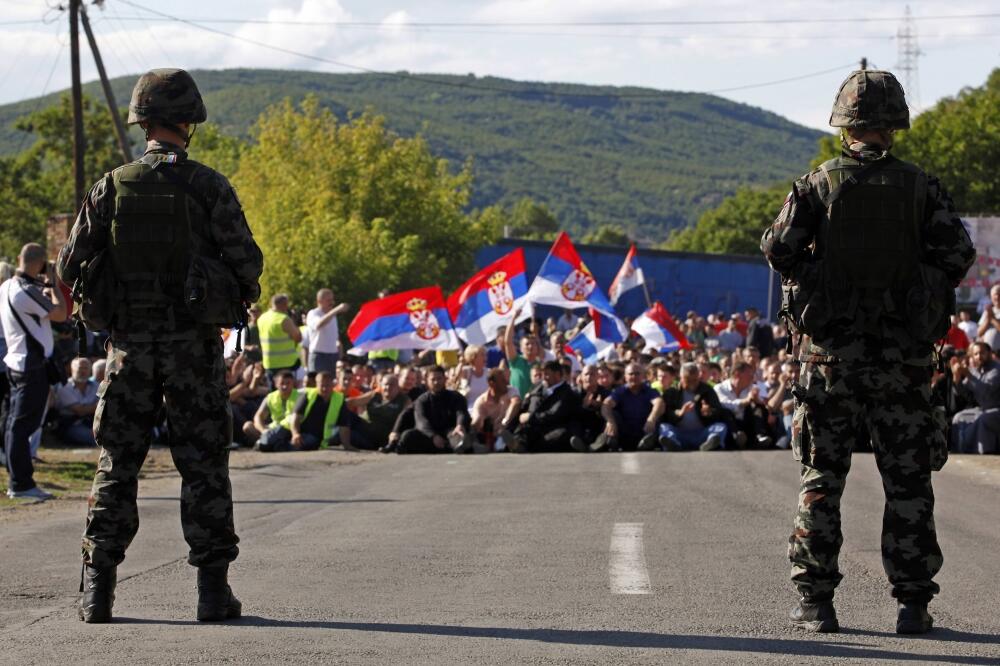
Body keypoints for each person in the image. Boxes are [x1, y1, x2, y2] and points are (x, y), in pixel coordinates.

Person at [761, 69, 975, 635]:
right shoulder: (920, 187)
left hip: (829, 359)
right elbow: (957, 256)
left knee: (821, 480)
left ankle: (815, 604)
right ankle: (912, 604)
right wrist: (913, 284)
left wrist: (822, 278)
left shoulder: (817, 184)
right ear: (895, 124)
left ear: (845, 122)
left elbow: (778, 249)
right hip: (902, 361)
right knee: (908, 484)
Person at [58, 68, 264, 624]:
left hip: (128, 349)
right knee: (203, 466)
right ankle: (212, 594)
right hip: (193, 350)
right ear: (187, 122)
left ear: (142, 121)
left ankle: (97, 592)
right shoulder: (209, 186)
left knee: (117, 464)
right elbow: (249, 262)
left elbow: (69, 264)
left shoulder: (111, 186)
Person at [1, 243, 67, 500]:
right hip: (31, 366)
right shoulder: (25, 290)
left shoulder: (7, 286)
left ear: (19, 258)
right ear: (40, 264)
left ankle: (18, 481)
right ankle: (21, 484)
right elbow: (61, 314)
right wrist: (54, 285)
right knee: (22, 427)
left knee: (12, 424)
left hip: (16, 363)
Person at [257, 371, 351, 451]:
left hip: (313, 435)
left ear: (333, 385)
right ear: (316, 385)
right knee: (265, 444)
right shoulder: (307, 394)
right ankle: (265, 442)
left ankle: (280, 445)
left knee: (303, 444)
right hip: (290, 427)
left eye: (328, 385)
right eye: (322, 385)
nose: (324, 389)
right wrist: (295, 434)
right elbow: (295, 416)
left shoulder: (339, 399)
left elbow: (344, 425)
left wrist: (347, 445)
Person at [396, 365, 472, 454]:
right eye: (433, 379)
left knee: (460, 438)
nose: (436, 382)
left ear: (445, 379)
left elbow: (461, 413)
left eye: (439, 379)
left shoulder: (456, 397)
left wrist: (460, 425)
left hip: (450, 433)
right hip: (429, 435)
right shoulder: (422, 400)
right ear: (427, 381)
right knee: (407, 436)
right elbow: (421, 421)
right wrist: (433, 436)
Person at [510, 360, 581, 453]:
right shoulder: (537, 387)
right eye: (542, 374)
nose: (543, 378)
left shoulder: (567, 393)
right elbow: (526, 405)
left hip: (553, 426)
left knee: (558, 436)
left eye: (547, 374)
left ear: (557, 375)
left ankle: (528, 446)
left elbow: (555, 414)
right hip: (532, 425)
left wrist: (531, 417)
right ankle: (517, 444)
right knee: (521, 431)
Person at [657, 362, 728, 451]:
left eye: (695, 380)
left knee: (720, 426)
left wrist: (709, 412)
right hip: (679, 433)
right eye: (688, 380)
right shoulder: (672, 391)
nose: (692, 384)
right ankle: (673, 443)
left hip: (701, 432)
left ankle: (710, 443)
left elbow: (718, 410)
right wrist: (680, 412)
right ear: (681, 378)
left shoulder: (707, 390)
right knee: (664, 427)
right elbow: (666, 414)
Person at [950, 341, 1000, 454]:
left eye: (982, 353)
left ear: (990, 353)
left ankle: (985, 452)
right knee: (959, 417)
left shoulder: (997, 369)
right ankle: (959, 450)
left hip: (997, 409)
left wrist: (968, 374)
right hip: (983, 409)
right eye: (976, 354)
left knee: (984, 418)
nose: (979, 356)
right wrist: (956, 377)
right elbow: (965, 394)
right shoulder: (975, 371)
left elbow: (986, 391)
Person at [469, 368, 521, 452]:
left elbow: (516, 402)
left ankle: (513, 445)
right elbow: (477, 419)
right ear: (492, 383)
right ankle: (473, 445)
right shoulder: (481, 401)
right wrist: (475, 425)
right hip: (492, 433)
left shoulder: (511, 390)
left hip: (509, 429)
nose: (506, 382)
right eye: (502, 381)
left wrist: (505, 422)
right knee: (478, 430)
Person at [246, 370, 299, 448]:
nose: (285, 386)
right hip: (273, 428)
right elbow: (258, 417)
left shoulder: (300, 395)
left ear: (293, 383)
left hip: (290, 429)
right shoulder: (270, 397)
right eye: (282, 383)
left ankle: (266, 443)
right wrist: (264, 431)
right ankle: (268, 441)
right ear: (276, 384)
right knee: (248, 426)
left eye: (288, 383)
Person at [54, 357, 99, 447]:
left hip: (92, 421)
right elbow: (80, 411)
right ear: (72, 370)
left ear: (90, 370)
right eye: (80, 368)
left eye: (85, 368)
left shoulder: (96, 385)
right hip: (70, 424)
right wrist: (98, 406)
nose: (83, 371)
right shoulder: (64, 386)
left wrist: (97, 407)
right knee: (94, 437)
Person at [258, 294, 302, 381]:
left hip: (269, 363)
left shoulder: (262, 318)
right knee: (288, 392)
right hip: (287, 363)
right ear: (284, 304)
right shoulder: (283, 319)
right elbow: (298, 337)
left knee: (274, 393)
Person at [306, 288, 348, 373]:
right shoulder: (313, 313)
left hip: (332, 355)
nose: (332, 303)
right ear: (319, 301)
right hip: (319, 355)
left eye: (332, 300)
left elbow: (335, 338)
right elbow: (319, 324)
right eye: (328, 300)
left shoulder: (333, 316)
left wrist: (340, 356)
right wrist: (336, 310)